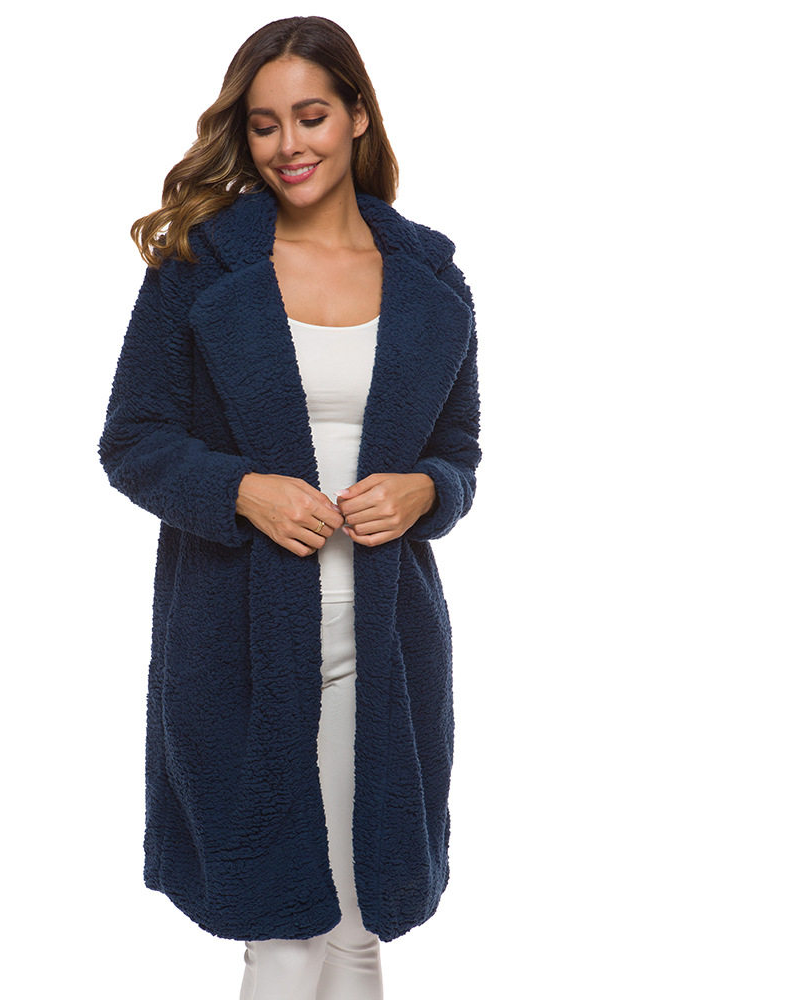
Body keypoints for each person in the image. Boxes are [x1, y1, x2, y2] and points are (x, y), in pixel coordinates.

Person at [98, 15, 481, 1000]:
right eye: (263, 125)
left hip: (386, 645)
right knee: (282, 936)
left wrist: (427, 490)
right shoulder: (200, 267)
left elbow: (458, 455)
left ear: (357, 115)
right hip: (241, 641)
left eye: (310, 116)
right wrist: (240, 489)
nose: (287, 145)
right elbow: (132, 441)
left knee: (358, 930)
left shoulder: (431, 279)